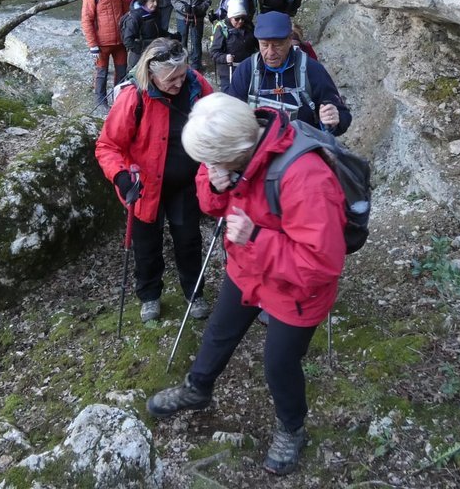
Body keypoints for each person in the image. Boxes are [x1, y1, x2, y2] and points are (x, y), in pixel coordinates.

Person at [146, 93, 346, 476]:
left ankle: (292, 428)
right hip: (248, 268)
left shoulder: (306, 177)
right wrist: (217, 185)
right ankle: (197, 388)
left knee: (279, 363)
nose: (208, 168)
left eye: (214, 162)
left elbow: (322, 265)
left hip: (298, 292)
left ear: (236, 152)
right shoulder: (242, 152)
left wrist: (255, 239)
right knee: (219, 333)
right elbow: (211, 201)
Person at [95, 38, 215, 323]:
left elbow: (216, 122)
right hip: (144, 185)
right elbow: (107, 146)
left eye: (182, 74)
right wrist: (122, 178)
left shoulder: (197, 86)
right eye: (170, 78)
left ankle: (193, 291)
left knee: (189, 240)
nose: (178, 82)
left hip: (186, 182)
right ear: (151, 74)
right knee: (146, 244)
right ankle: (149, 295)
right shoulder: (134, 97)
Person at [226, 11, 351, 135]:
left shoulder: (312, 69)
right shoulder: (246, 71)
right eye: (264, 45)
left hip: (303, 149)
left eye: (277, 45)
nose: (270, 52)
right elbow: (230, 116)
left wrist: (332, 120)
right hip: (259, 148)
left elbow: (343, 116)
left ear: (290, 39)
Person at [81, 0, 132, 110]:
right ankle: (100, 102)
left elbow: (127, 14)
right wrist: (92, 45)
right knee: (101, 73)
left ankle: (119, 100)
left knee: (122, 72)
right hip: (102, 44)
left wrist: (128, 35)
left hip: (120, 42)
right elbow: (86, 20)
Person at [209, 0, 257, 92]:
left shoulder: (249, 25)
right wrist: (225, 58)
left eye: (243, 18)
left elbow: (257, 44)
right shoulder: (221, 29)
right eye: (237, 18)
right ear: (230, 17)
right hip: (229, 71)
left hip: (247, 68)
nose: (241, 21)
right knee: (229, 97)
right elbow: (214, 53)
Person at [170, 0, 211, 71]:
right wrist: (184, 8)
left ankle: (196, 66)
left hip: (198, 17)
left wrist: (198, 9)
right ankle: (181, 65)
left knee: (196, 41)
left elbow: (207, 1)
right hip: (182, 17)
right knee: (182, 41)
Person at [121, 0, 163, 70]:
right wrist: (142, 48)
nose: (155, 4)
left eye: (157, 1)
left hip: (153, 52)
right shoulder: (134, 17)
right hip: (138, 56)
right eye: (152, 1)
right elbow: (127, 41)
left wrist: (170, 36)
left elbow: (158, 31)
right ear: (144, 1)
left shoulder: (155, 13)